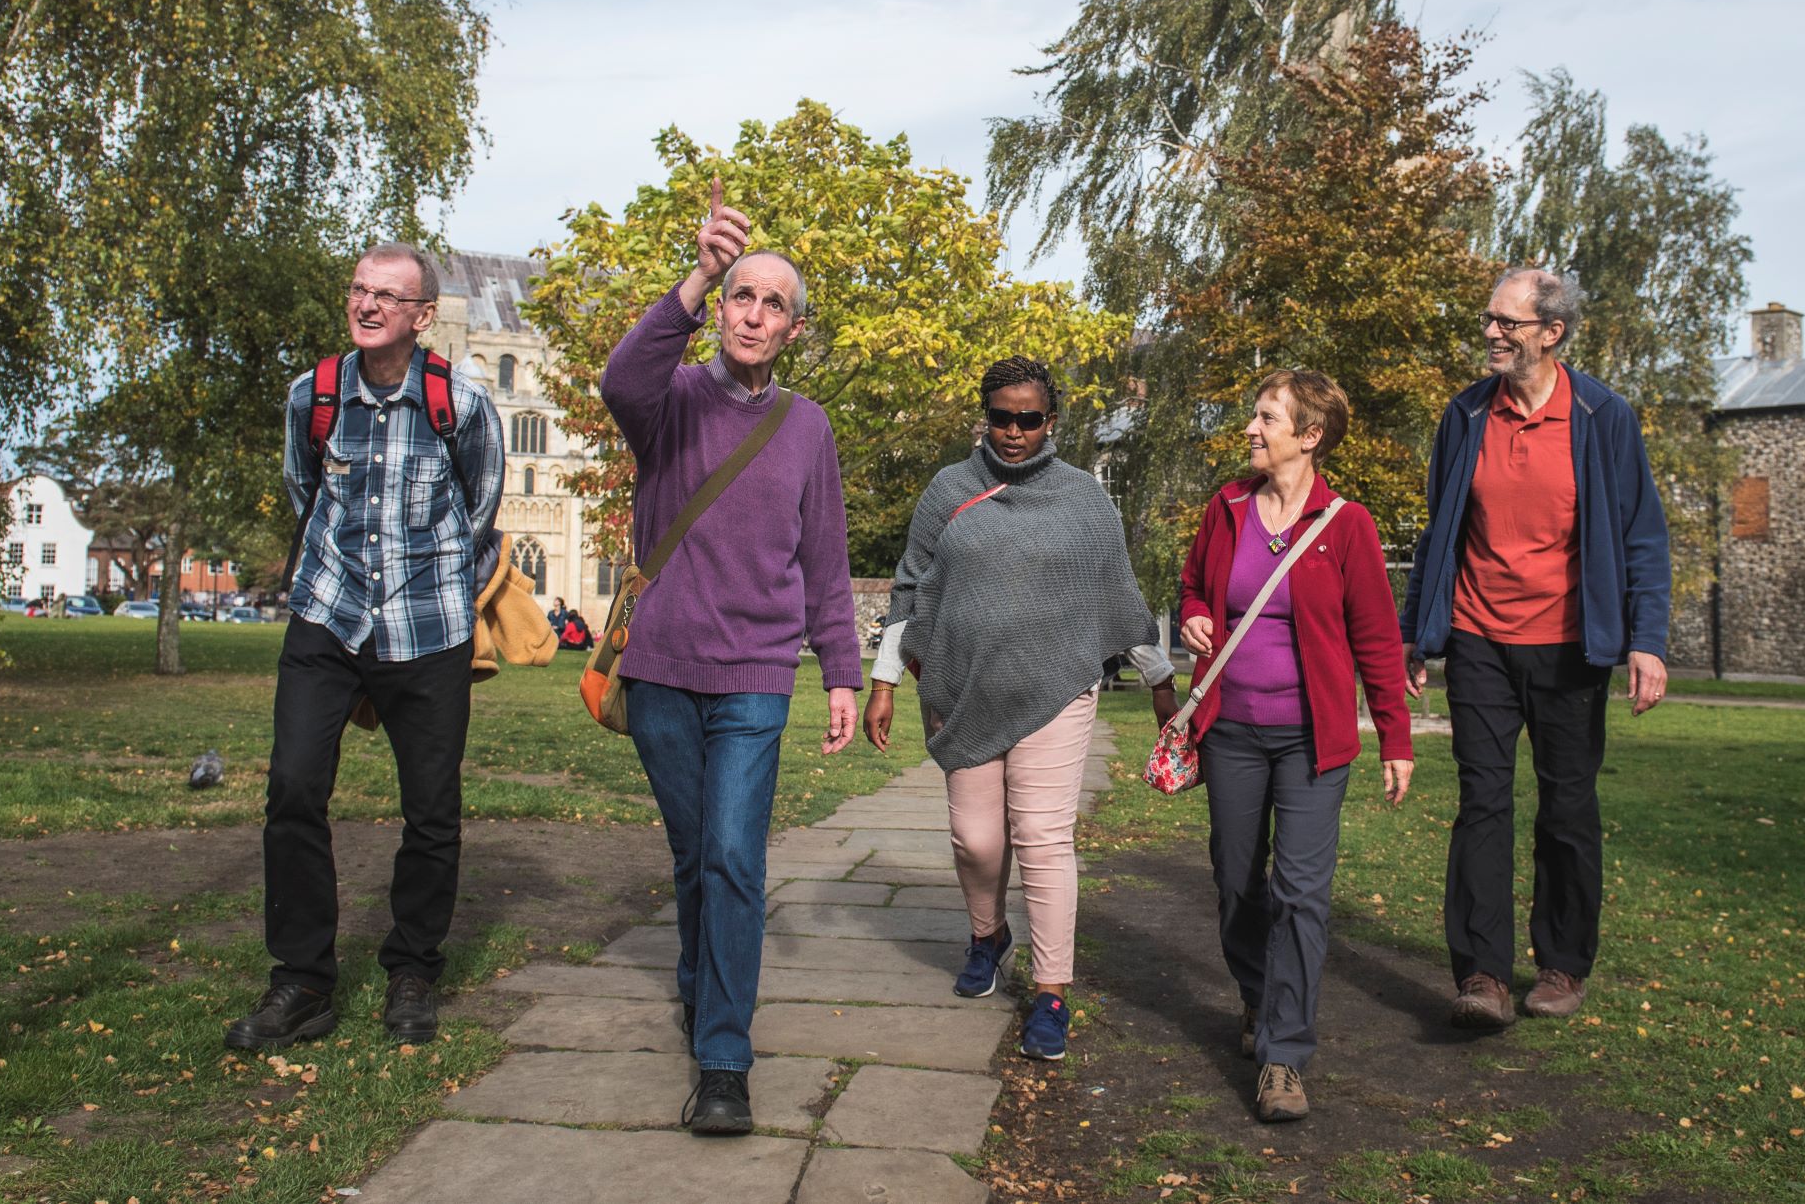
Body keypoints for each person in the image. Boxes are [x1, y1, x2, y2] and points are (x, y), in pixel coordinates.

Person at [601, 181, 861, 1135]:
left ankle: (722, 1059)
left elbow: (824, 560)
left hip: (755, 673)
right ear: (721, 310)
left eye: (773, 304)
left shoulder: (807, 427)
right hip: (662, 667)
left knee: (733, 857)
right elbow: (618, 379)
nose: (753, 313)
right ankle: (698, 982)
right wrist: (697, 268)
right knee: (691, 854)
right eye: (740, 296)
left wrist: (840, 669)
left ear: (793, 330)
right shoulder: (667, 403)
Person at [226, 243, 504, 1054]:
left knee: (431, 809)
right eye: (359, 290)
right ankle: (302, 981)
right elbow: (302, 493)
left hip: (427, 625)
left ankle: (413, 969)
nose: (369, 304)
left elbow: (480, 513)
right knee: (292, 789)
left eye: (389, 295)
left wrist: (435, 585)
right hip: (329, 614)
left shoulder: (463, 404)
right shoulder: (311, 398)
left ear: (422, 316)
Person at [863, 357, 1176, 1062]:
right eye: (1000, 416)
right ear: (985, 416)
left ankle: (1052, 991)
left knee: (1040, 837)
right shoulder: (948, 490)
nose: (1012, 431)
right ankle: (987, 937)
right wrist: (882, 682)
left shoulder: (1083, 498)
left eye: (1027, 419)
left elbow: (1117, 592)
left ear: (1050, 423)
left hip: (1056, 690)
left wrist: (1157, 677)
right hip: (961, 688)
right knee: (976, 841)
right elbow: (910, 592)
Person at [1401, 268, 1670, 1031]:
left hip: (1569, 646)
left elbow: (1642, 534)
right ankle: (1482, 974)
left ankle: (1561, 964)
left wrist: (1644, 640)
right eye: (1487, 318)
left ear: (1550, 333)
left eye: (1506, 323)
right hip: (1479, 638)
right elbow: (1438, 533)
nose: (1490, 332)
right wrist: (1416, 632)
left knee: (1567, 806)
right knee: (1482, 802)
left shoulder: (1601, 416)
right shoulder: (1463, 416)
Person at [1176, 369, 1413, 1123]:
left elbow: (1377, 638)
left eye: (1266, 417)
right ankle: (1258, 998)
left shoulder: (1347, 525)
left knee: (1300, 895)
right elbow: (1191, 583)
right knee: (1238, 883)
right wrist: (1191, 615)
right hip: (1232, 734)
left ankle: (1283, 1057)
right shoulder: (1227, 507)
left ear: (1308, 436)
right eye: (1253, 414)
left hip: (1312, 742)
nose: (1250, 427)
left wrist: (1394, 739)